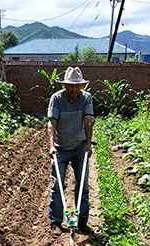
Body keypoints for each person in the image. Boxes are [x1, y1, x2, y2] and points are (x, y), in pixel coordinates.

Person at [47, 66, 94, 234]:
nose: (73, 89)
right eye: (70, 85)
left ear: (81, 86)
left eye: (76, 85)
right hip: (60, 148)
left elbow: (88, 120)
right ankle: (56, 221)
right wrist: (52, 145)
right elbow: (52, 123)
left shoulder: (86, 98)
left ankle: (81, 222)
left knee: (83, 185)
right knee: (57, 185)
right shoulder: (57, 98)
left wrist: (89, 143)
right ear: (64, 85)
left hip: (80, 147)